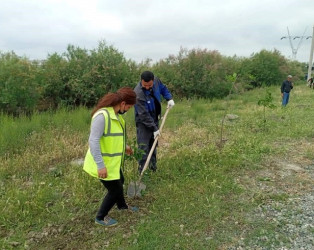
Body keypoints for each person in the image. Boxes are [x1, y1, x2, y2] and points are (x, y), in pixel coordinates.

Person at [83, 87, 138, 227]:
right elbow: (93, 141)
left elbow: (112, 138)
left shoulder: (115, 116)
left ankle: (122, 206)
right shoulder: (102, 116)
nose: (128, 110)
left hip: (113, 162)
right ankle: (100, 217)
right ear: (123, 103)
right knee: (115, 190)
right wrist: (100, 166)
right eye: (129, 107)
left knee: (121, 180)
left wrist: (125, 147)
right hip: (102, 163)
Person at [134, 71, 175, 174]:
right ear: (141, 81)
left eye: (149, 85)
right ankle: (141, 173)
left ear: (153, 81)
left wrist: (169, 98)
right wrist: (154, 128)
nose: (147, 87)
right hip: (143, 123)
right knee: (143, 147)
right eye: (145, 85)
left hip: (154, 118)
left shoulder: (156, 81)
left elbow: (163, 88)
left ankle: (153, 170)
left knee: (153, 145)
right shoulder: (138, 93)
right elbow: (143, 115)